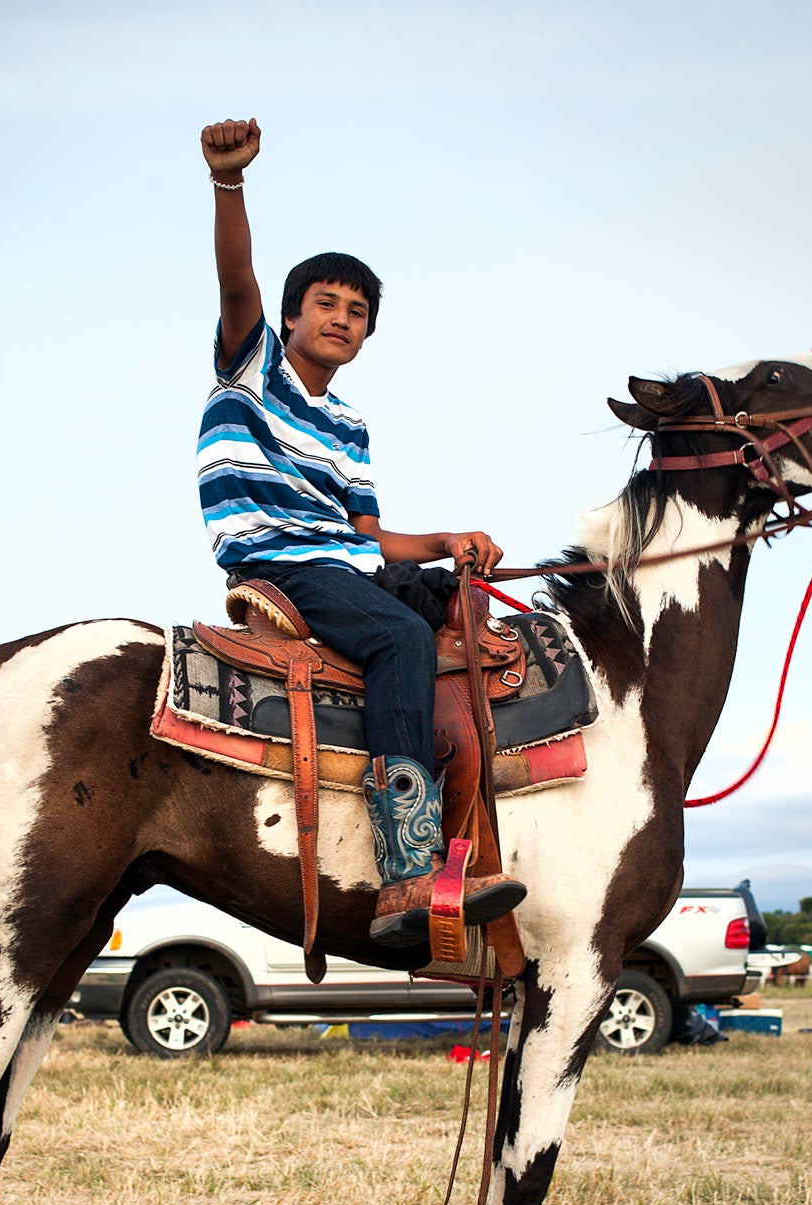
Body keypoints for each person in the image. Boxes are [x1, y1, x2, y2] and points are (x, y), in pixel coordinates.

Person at [196, 115, 525, 947]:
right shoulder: (254, 365)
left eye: (358, 311)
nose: (342, 318)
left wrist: (449, 543)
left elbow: (369, 537)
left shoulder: (349, 424)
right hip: (282, 564)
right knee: (398, 639)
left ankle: (487, 828)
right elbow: (236, 283)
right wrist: (229, 182)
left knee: (467, 614)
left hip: (349, 564)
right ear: (291, 316)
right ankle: (406, 866)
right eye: (326, 304)